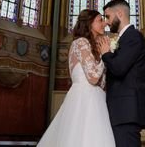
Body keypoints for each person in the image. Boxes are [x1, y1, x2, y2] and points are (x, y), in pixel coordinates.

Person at [37, 10, 115, 147]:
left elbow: (102, 82)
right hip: (84, 100)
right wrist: (105, 55)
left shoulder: (94, 46)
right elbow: (93, 78)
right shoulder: (81, 43)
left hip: (98, 99)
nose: (104, 24)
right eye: (100, 20)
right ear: (89, 24)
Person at [97, 0, 145, 147]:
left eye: (108, 16)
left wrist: (106, 54)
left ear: (119, 13)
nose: (106, 22)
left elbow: (119, 69)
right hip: (121, 111)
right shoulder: (124, 38)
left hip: (126, 112)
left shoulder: (133, 37)